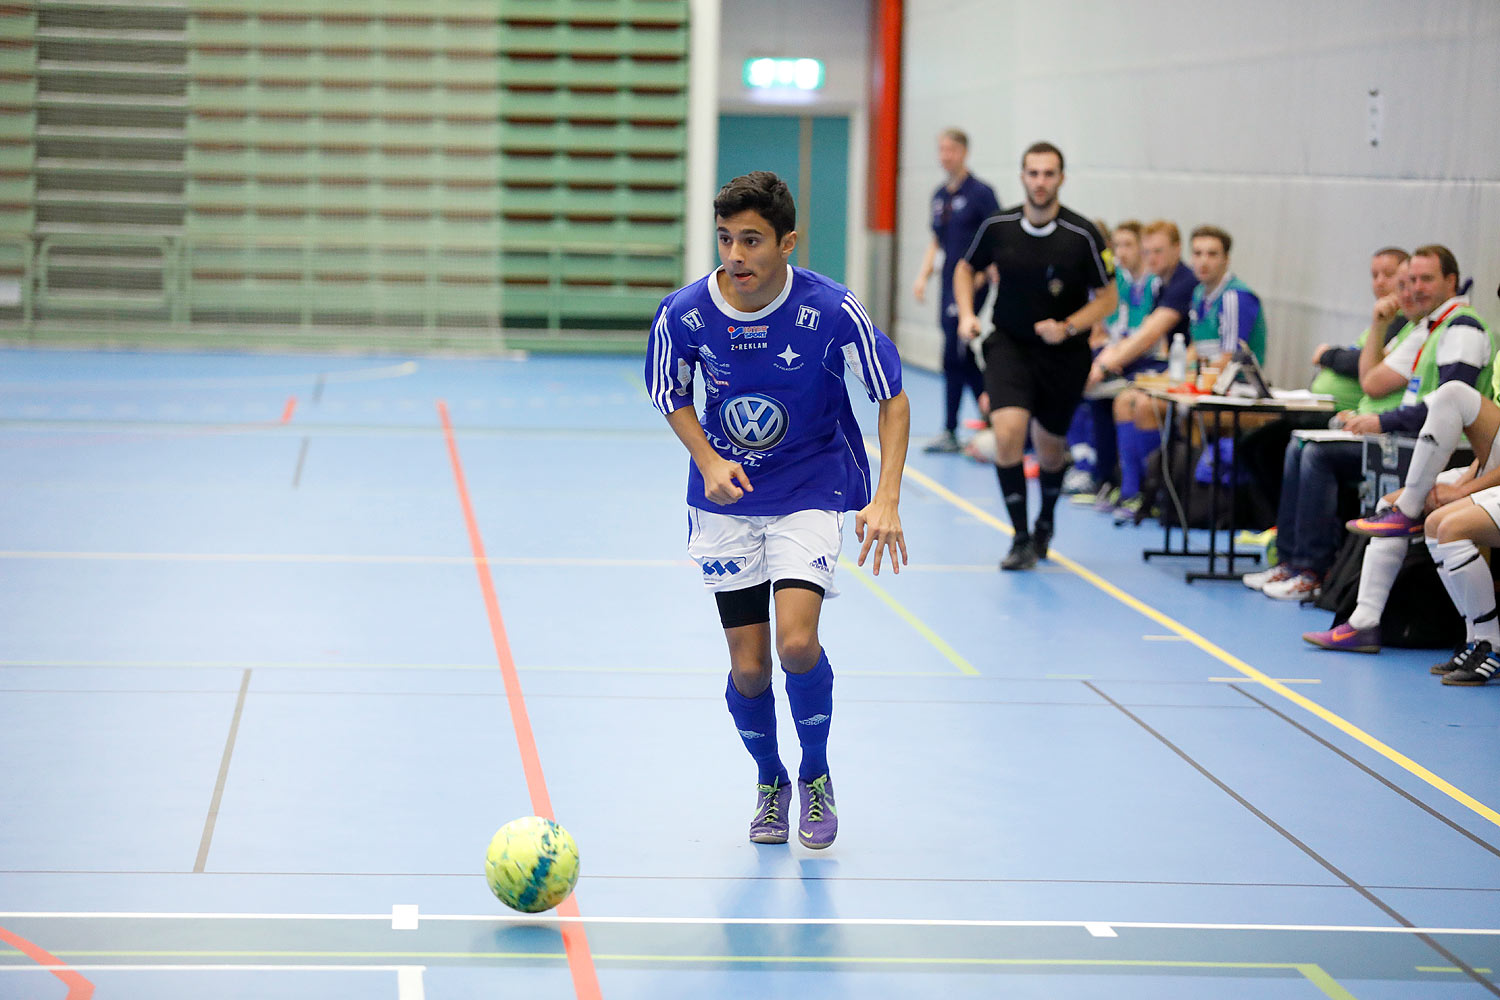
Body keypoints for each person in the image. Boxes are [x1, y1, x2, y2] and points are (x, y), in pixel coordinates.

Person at [645, 170, 910, 848]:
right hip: (727, 500)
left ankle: (816, 773)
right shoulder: (685, 313)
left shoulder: (831, 309)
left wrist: (886, 498)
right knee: (750, 668)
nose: (737, 256)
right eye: (727, 239)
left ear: (787, 243)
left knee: (796, 643)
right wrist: (708, 460)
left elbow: (891, 396)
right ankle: (771, 781)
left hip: (810, 488)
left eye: (753, 241)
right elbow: (669, 393)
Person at [1302, 244, 1498, 653]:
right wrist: (1378, 326)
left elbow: (1459, 408)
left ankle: (1485, 644)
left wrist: (1464, 489)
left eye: (1425, 280)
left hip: (1452, 450)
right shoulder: (1424, 326)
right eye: (1407, 282)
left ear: (1451, 282)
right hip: (1468, 461)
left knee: (1441, 520)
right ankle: (1364, 622)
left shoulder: (1462, 328)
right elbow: (1372, 382)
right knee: (1390, 507)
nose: (1412, 291)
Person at [954, 141, 1117, 570]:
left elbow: (1108, 298)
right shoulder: (999, 225)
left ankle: (1045, 521)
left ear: (1060, 178)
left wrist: (1068, 327)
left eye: (1049, 174)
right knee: (1008, 433)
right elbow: (964, 268)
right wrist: (968, 314)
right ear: (1023, 177)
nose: (1040, 182)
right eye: (1033, 173)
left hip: (1063, 355)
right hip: (1009, 345)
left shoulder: (1083, 234)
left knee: (1049, 449)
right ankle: (1020, 537)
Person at [1244, 250, 1419, 600]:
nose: (1387, 286)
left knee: (1314, 455)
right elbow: (1370, 374)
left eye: (1402, 280)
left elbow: (1367, 376)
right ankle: (1290, 559)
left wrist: (1375, 418)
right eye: (1378, 276)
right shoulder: (1397, 328)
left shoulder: (1420, 331)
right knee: (1295, 444)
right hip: (1363, 422)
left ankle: (1312, 568)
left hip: (1393, 436)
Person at [1087, 220, 1197, 523]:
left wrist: (1106, 363)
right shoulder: (1160, 282)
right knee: (1121, 400)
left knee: (1140, 402)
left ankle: (1152, 492)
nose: (1152, 259)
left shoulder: (1184, 283)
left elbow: (1150, 333)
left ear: (1177, 249)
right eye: (1147, 252)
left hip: (1188, 372)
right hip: (1174, 366)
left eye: (1158, 251)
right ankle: (1129, 488)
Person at [912, 128, 1001, 453]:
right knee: (959, 357)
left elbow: (995, 239)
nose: (945, 156)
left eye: (951, 150)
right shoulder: (939, 195)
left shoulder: (981, 193)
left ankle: (951, 428)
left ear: (963, 152)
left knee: (954, 353)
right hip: (948, 281)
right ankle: (992, 409)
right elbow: (937, 241)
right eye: (941, 150)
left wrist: (981, 279)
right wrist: (923, 276)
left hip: (971, 284)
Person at [1184, 225, 1266, 366]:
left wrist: (1189, 374)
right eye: (1197, 254)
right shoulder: (1198, 293)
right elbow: (1195, 348)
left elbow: (1229, 361)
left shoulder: (1235, 296)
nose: (1203, 261)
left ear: (1226, 259)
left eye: (1212, 254)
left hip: (1235, 385)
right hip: (1204, 381)